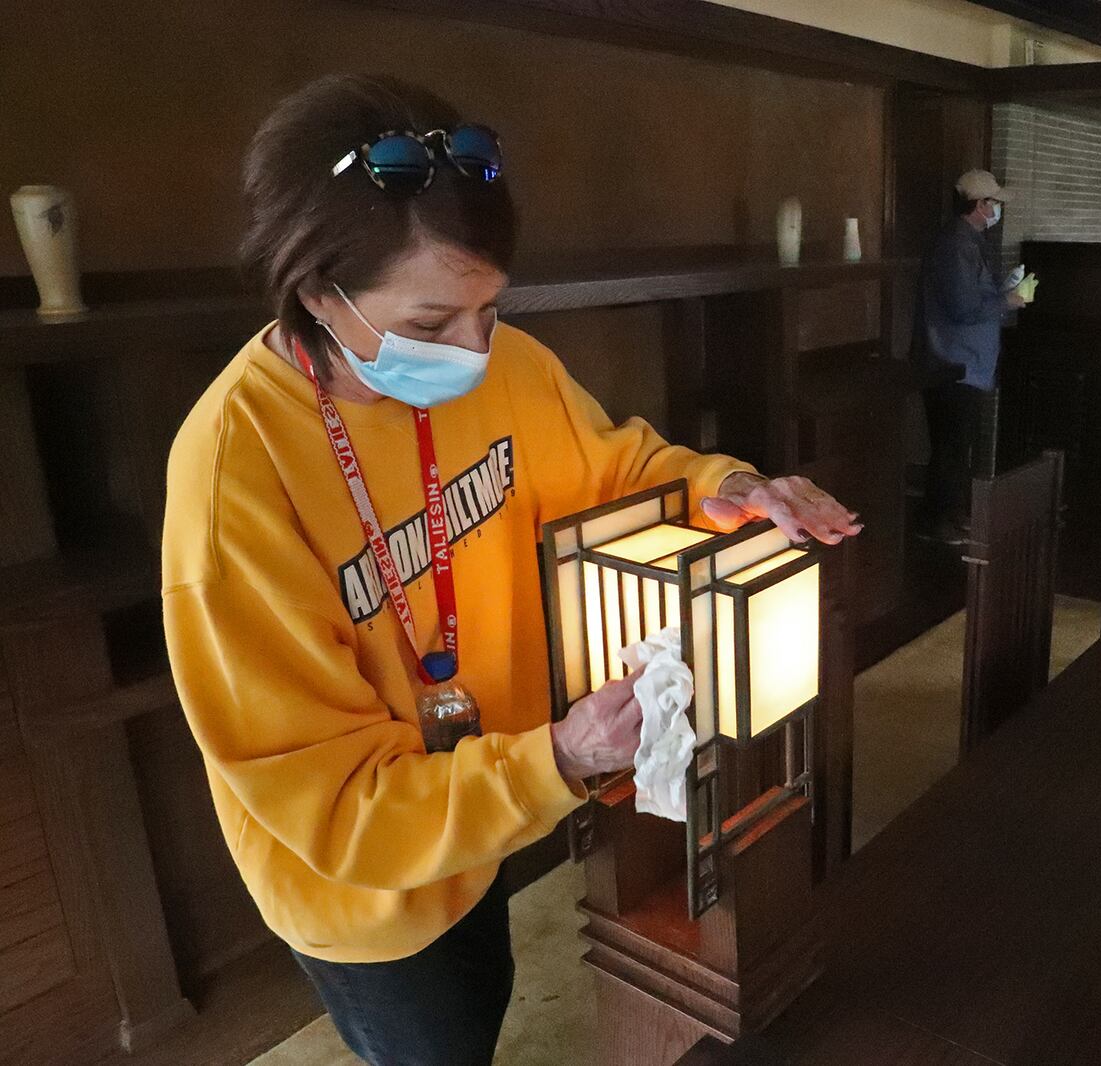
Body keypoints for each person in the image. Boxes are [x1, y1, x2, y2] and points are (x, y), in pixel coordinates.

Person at [161, 74, 860, 1066]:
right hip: (368, 889)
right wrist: (560, 758)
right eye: (432, 322)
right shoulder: (237, 474)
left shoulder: (508, 368)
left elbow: (618, 465)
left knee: (481, 996)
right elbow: (329, 800)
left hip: (487, 793)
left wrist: (734, 485)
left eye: (490, 309)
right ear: (317, 293)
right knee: (436, 1040)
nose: (475, 353)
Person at [912, 168, 1027, 545]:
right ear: (980, 204)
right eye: (994, 203)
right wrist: (1007, 300)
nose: (997, 210)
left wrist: (1004, 291)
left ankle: (952, 516)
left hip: (965, 362)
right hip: (952, 363)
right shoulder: (956, 244)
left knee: (958, 447)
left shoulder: (967, 240)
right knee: (950, 447)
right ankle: (936, 522)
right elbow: (962, 307)